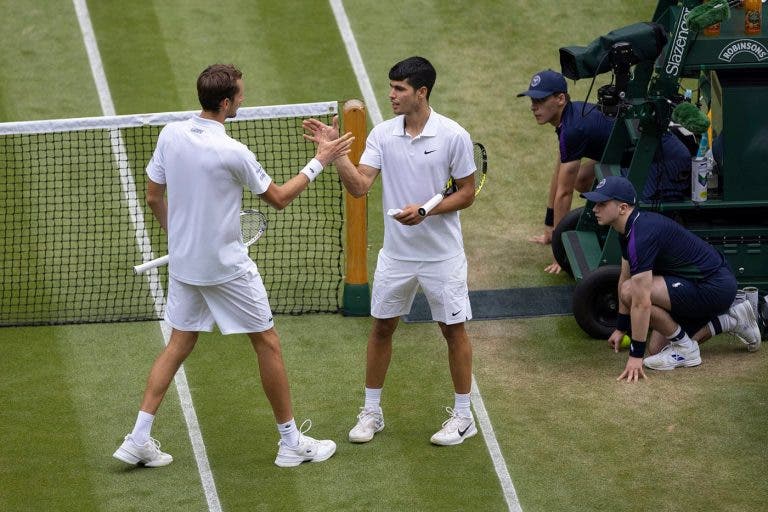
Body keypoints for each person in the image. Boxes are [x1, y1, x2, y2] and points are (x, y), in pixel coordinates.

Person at [113, 64, 354, 468]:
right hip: (226, 269)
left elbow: (154, 196)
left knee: (178, 343)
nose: (243, 98)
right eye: (240, 94)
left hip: (186, 265)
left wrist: (183, 239)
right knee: (267, 342)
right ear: (225, 103)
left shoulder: (170, 134)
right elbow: (277, 198)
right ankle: (291, 443)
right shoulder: (233, 152)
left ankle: (138, 438)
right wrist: (320, 161)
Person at [303, 56, 477, 446]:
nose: (391, 95)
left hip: (442, 256)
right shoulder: (382, 134)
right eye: (391, 87)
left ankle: (464, 417)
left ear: (422, 92)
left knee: (453, 330)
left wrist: (426, 210)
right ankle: (371, 412)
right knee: (382, 327)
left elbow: (467, 192)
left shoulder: (453, 136)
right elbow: (360, 186)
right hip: (396, 256)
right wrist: (337, 155)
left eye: (399, 89)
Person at [580, 176, 761, 383]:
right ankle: (730, 319)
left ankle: (687, 348)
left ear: (622, 208)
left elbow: (640, 300)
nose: (595, 209)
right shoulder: (627, 229)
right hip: (692, 283)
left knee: (632, 292)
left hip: (713, 286)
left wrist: (635, 356)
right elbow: (625, 275)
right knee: (657, 349)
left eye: (602, 204)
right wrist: (621, 327)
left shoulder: (641, 235)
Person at [518, 69, 692, 274]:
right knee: (582, 180)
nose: (533, 107)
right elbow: (560, 172)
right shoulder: (569, 118)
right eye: (532, 100)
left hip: (666, 161)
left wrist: (559, 255)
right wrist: (550, 228)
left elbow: (563, 194)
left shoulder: (573, 129)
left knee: (619, 204)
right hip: (634, 153)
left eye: (540, 100)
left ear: (560, 99)